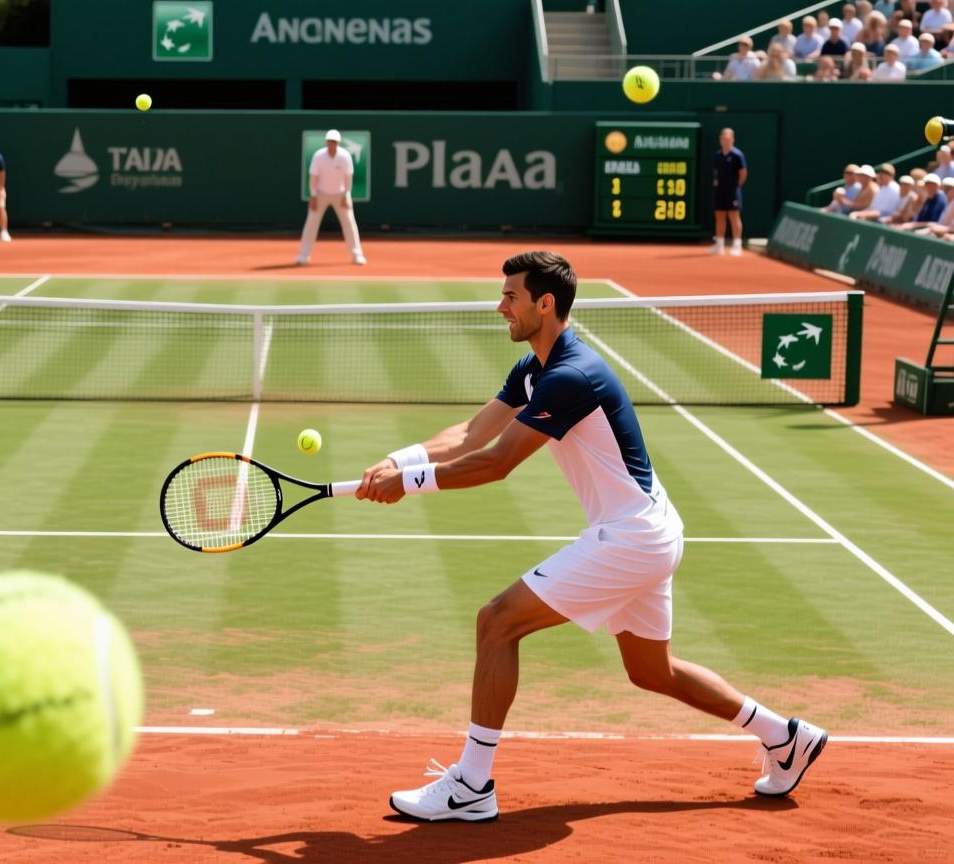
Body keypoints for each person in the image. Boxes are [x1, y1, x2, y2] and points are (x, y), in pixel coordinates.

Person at [358, 251, 828, 822]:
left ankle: (472, 786)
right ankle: (786, 736)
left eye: (511, 296)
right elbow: (471, 432)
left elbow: (497, 461)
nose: (500, 306)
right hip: (650, 529)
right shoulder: (533, 369)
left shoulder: (570, 376)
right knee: (652, 671)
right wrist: (393, 460)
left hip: (631, 536)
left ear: (544, 303)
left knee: (497, 621)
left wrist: (408, 484)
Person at [297, 129, 366, 266]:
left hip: (340, 194)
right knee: (311, 224)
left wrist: (347, 195)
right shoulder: (319, 156)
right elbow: (313, 178)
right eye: (329, 141)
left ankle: (357, 255)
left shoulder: (345, 156)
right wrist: (314, 196)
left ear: (338, 143)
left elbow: (348, 178)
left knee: (349, 223)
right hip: (321, 194)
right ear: (326, 142)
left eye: (334, 142)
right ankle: (303, 255)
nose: (331, 144)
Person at [711, 128, 747, 255]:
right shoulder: (717, 155)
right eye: (723, 138)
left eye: (728, 138)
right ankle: (719, 245)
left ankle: (737, 245)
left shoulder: (738, 155)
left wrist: (736, 186)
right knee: (719, 216)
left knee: (734, 216)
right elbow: (716, 173)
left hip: (733, 191)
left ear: (732, 139)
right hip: (720, 191)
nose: (725, 140)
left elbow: (743, 173)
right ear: (720, 140)